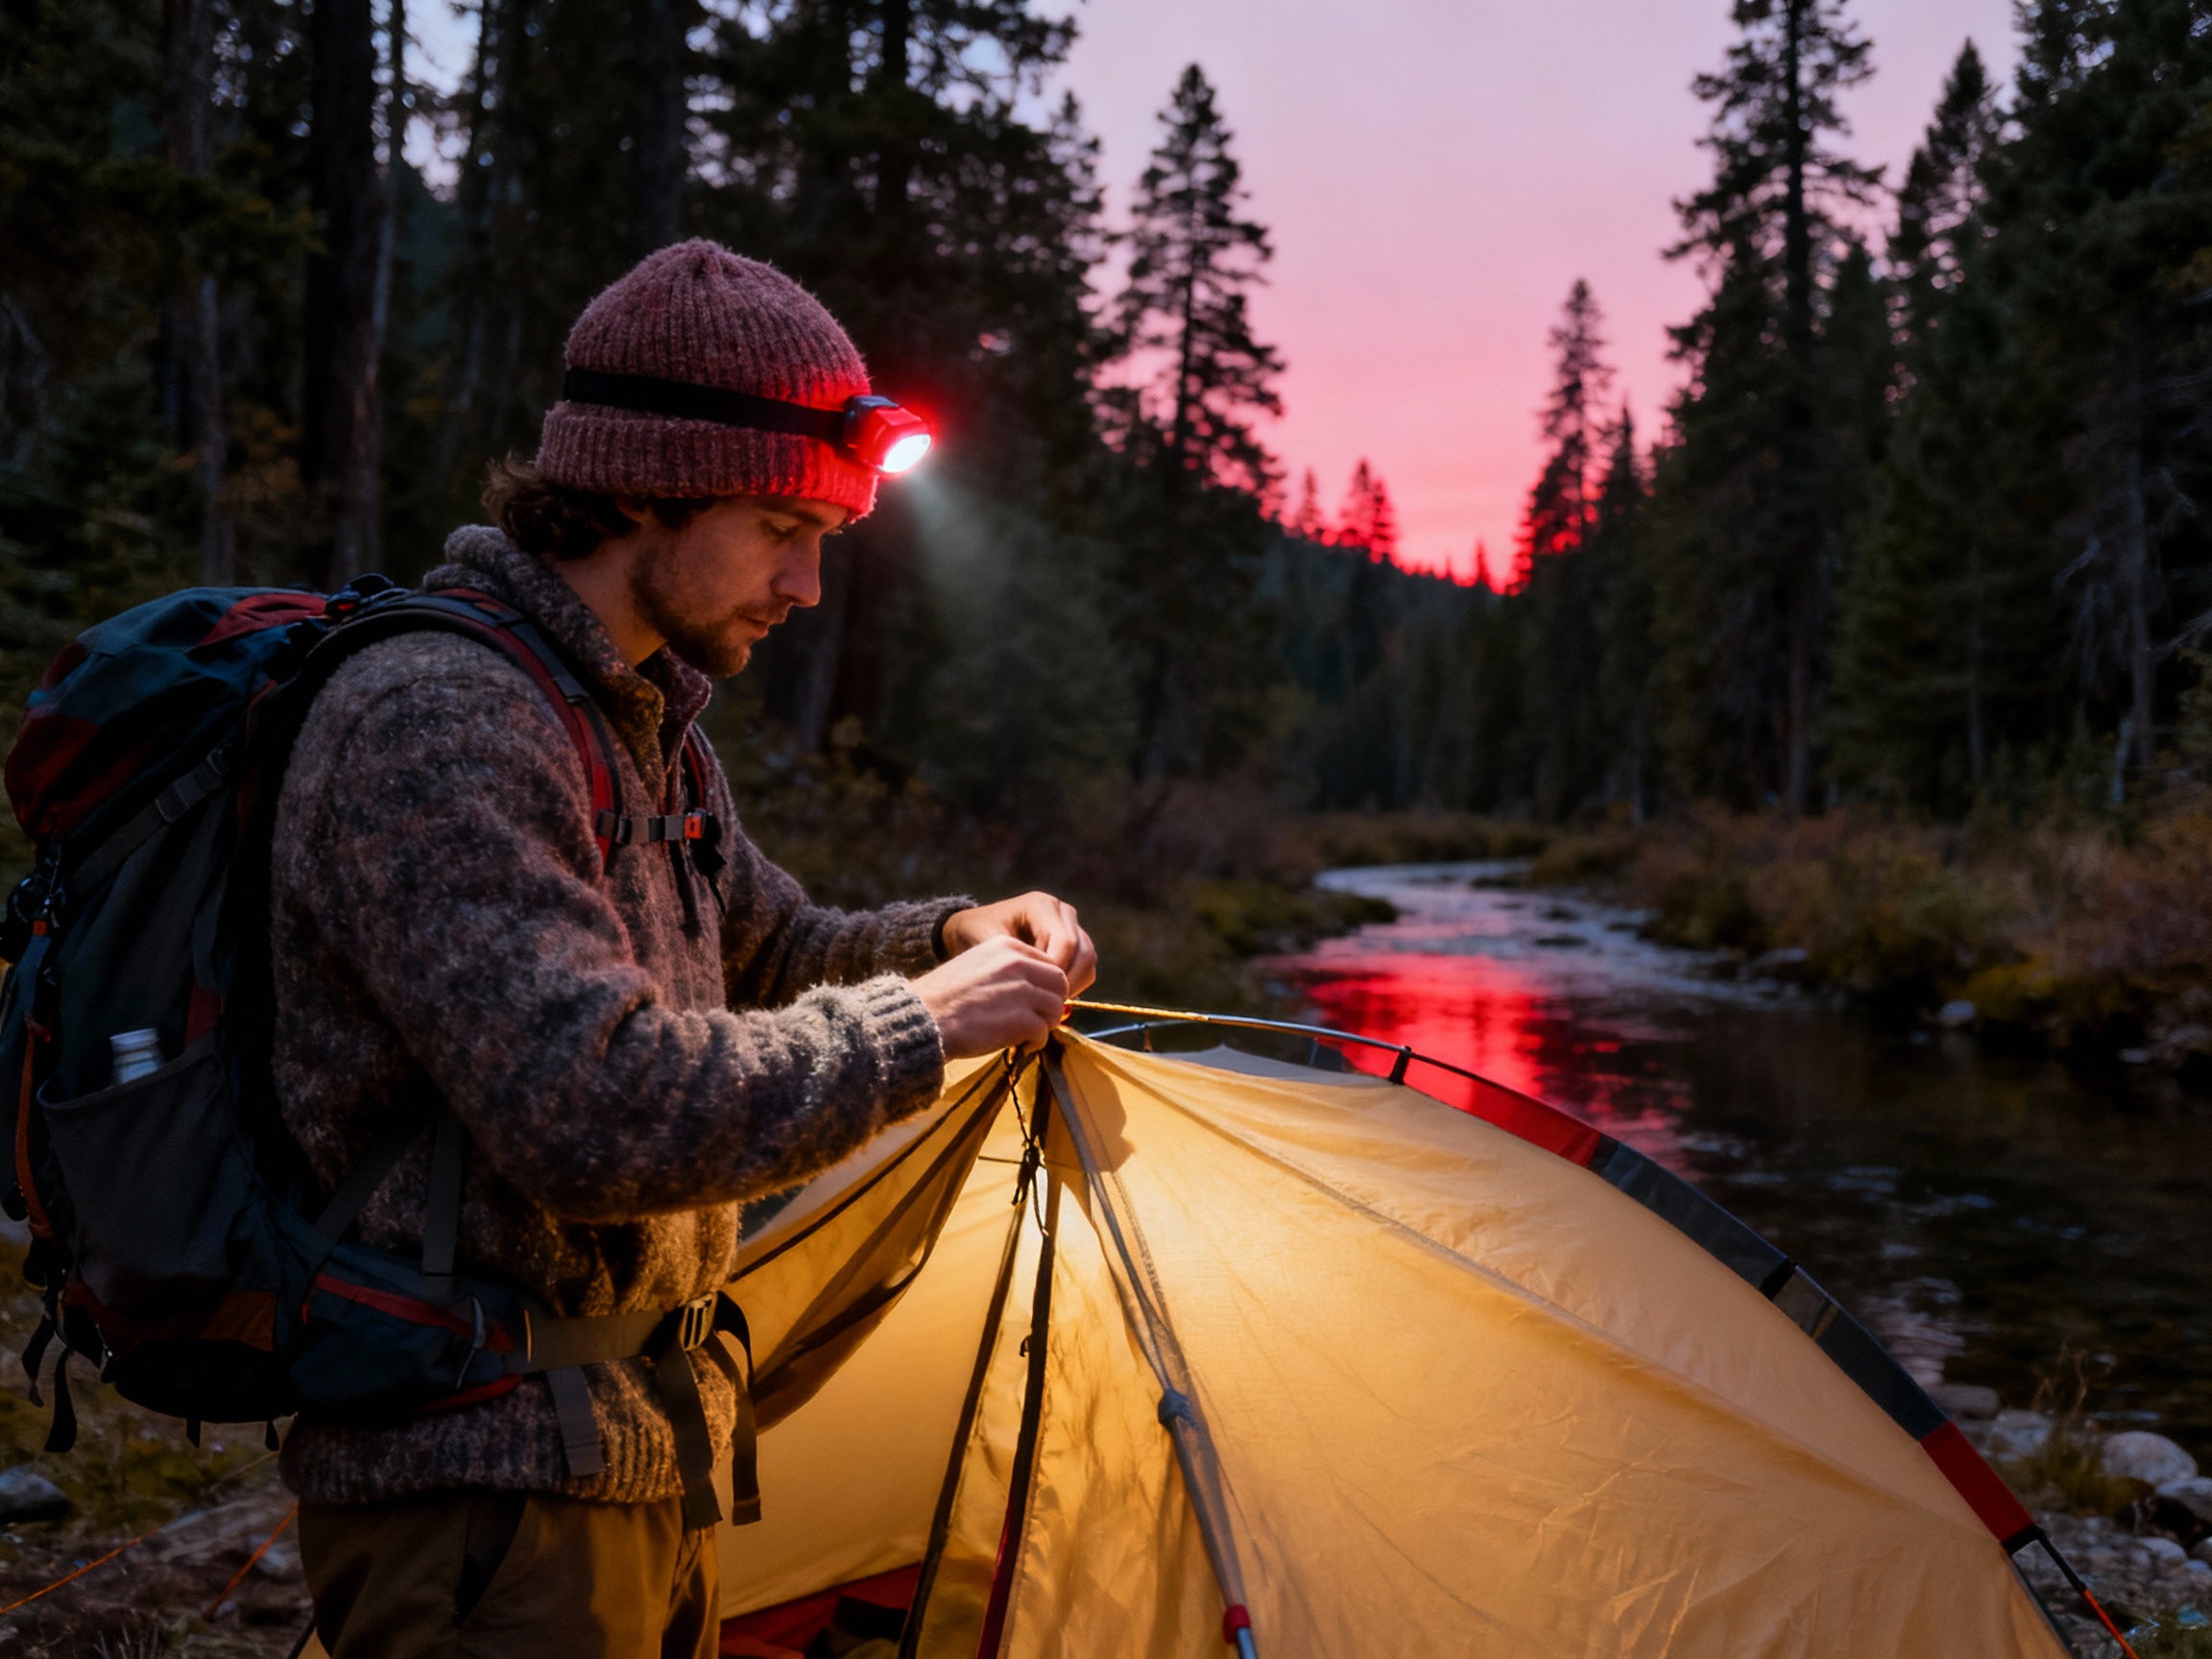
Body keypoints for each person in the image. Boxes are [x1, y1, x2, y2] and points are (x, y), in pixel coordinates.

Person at [270, 240, 1095, 1657]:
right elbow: (596, 1110)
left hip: (632, 1463)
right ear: (644, 486)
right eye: (783, 524)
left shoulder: (636, 721)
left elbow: (773, 946)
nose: (810, 581)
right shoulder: (441, 721)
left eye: (828, 536)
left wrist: (952, 934)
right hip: (480, 1499)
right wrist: (925, 1024)